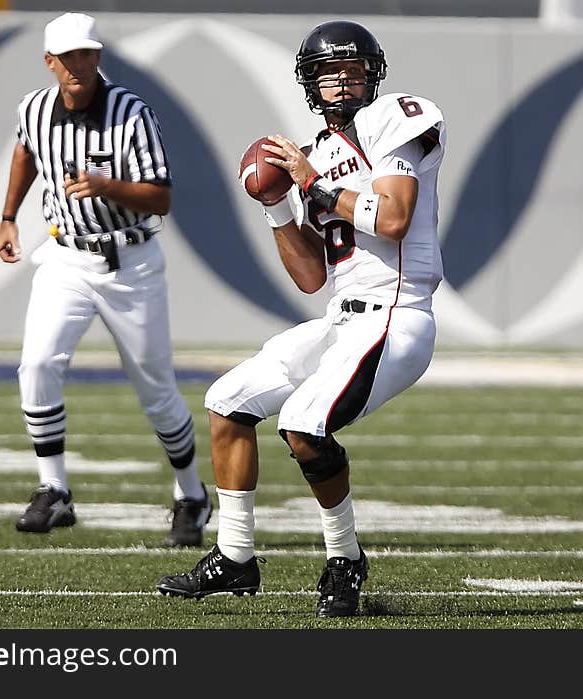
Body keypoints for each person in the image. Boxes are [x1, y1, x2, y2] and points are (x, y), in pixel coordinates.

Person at [156, 20, 446, 616]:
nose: (342, 80)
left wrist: (312, 184)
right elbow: (312, 276)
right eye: (327, 71)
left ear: (374, 73)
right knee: (228, 400)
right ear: (309, 83)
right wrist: (278, 206)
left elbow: (391, 219)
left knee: (304, 423)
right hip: (343, 318)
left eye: (352, 68)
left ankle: (345, 558)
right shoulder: (315, 153)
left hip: (397, 314)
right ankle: (235, 558)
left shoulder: (396, 116)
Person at [0, 12, 211, 547]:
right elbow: (26, 148)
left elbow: (160, 196)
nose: (78, 66)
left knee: (155, 388)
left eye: (86, 55)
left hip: (130, 261)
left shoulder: (131, 111)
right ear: (50, 62)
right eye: (67, 58)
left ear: (98, 56)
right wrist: (7, 216)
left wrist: (106, 186)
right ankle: (54, 490)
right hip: (66, 255)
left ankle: (191, 495)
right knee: (38, 363)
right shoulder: (34, 108)